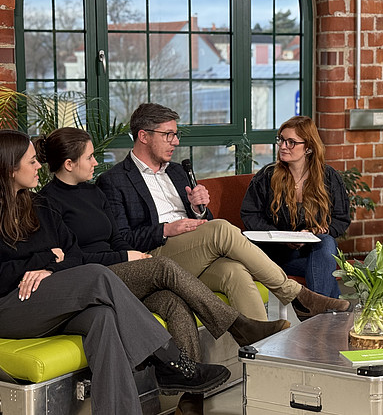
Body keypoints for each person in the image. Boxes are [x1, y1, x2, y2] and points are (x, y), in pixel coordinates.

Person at [36, 127, 290, 415]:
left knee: (173, 302)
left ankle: (189, 400)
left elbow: (117, 235)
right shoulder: (47, 202)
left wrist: (129, 254)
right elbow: (72, 257)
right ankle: (238, 326)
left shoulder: (94, 192)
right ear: (69, 164)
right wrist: (125, 256)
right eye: (90, 157)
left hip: (124, 269)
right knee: (164, 267)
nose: (96, 162)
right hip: (96, 277)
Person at [0, 129, 231, 415]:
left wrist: (48, 267)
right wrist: (45, 258)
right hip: (9, 308)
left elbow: (72, 255)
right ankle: (170, 360)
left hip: (47, 299)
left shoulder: (39, 205)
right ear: (10, 168)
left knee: (103, 317)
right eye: (32, 162)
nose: (39, 167)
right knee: (97, 275)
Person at [96, 102, 350, 322]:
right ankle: (297, 295)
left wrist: (198, 210)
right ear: (144, 136)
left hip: (191, 251)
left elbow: (202, 222)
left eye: (176, 134)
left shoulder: (175, 171)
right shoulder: (114, 180)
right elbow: (121, 241)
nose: (176, 141)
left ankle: (260, 351)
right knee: (221, 227)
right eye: (169, 135)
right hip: (155, 256)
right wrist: (165, 229)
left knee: (235, 272)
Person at [240, 116, 350, 299]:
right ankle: (328, 312)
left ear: (308, 147)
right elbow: (249, 214)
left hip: (311, 252)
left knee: (326, 243)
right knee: (325, 269)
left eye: (291, 142)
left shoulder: (329, 177)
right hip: (275, 255)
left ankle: (322, 315)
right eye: (281, 140)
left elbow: (341, 218)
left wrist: (318, 230)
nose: (283, 146)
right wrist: (282, 237)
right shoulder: (267, 176)